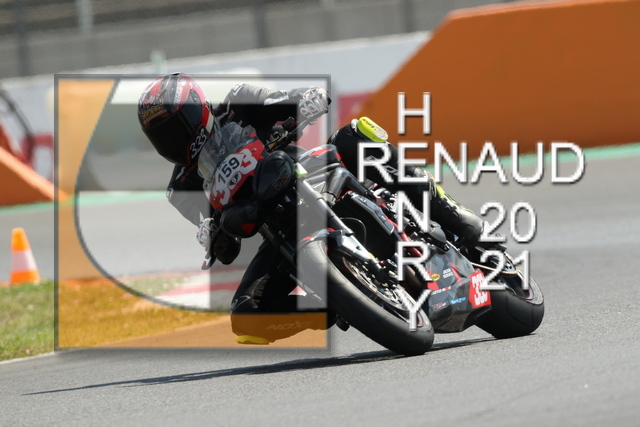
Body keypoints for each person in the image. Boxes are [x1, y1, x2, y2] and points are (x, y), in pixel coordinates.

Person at [138, 73, 485, 345]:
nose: (172, 141)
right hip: (275, 228)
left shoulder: (237, 103)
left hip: (308, 174)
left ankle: (447, 210)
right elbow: (218, 236)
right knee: (247, 316)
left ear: (196, 109)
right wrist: (214, 235)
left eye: (175, 128)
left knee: (352, 135)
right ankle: (332, 303)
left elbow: (286, 101)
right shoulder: (180, 188)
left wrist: (305, 100)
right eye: (162, 137)